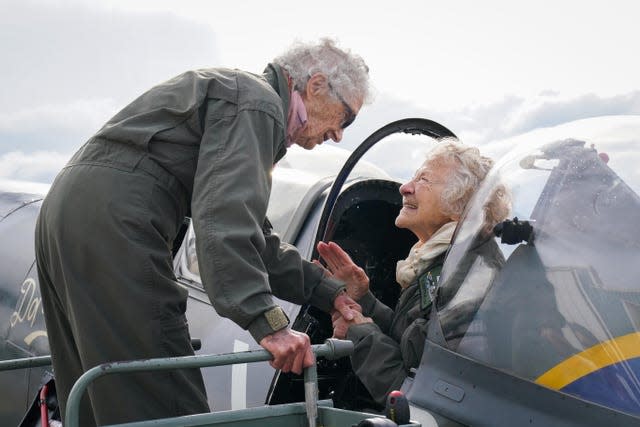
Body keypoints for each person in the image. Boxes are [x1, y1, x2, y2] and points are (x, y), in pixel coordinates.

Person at [35, 38, 369, 426]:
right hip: (119, 225)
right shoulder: (258, 103)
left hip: (68, 213)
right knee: (164, 397)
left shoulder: (237, 94)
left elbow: (253, 238)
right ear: (315, 86)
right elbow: (226, 223)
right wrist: (269, 323)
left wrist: (328, 294)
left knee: (100, 395)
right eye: (345, 118)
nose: (340, 135)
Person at [317, 141, 494, 406]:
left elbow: (413, 394)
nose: (405, 187)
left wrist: (359, 333)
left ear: (461, 203)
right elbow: (408, 341)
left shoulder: (471, 276)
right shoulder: (442, 262)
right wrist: (364, 302)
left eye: (423, 179)